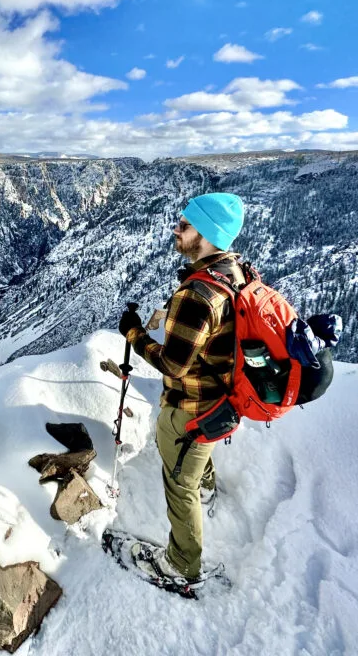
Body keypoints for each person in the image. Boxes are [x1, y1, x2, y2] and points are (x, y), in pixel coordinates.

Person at [117, 192, 246, 585]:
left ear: (206, 236)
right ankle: (205, 485)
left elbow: (172, 363)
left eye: (186, 226)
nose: (176, 230)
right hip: (220, 400)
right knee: (195, 459)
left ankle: (181, 565)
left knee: (179, 484)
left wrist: (135, 334)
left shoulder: (198, 295)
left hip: (190, 406)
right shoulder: (235, 272)